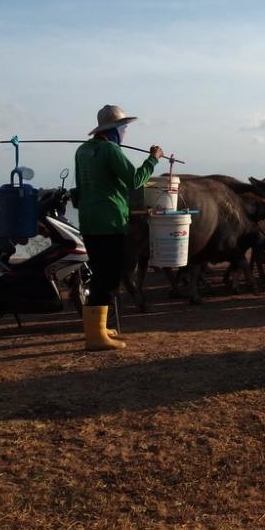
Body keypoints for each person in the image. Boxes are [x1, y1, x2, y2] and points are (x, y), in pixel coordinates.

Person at [75, 105, 163, 351]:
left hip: (89, 220)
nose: (125, 133)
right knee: (109, 277)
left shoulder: (82, 150)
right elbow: (135, 180)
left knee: (100, 274)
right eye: (124, 128)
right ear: (114, 130)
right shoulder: (110, 150)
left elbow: (81, 186)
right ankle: (96, 338)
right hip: (110, 221)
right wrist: (152, 159)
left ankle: (99, 329)